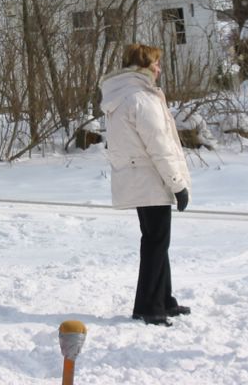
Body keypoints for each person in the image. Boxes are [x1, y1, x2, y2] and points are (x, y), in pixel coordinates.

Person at [100, 43, 192, 327]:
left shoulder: (121, 95)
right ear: (144, 66)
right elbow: (159, 146)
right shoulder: (141, 98)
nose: (159, 69)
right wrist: (177, 184)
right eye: (156, 64)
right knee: (156, 242)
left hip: (138, 177)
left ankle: (163, 299)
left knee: (155, 240)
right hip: (151, 178)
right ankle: (149, 307)